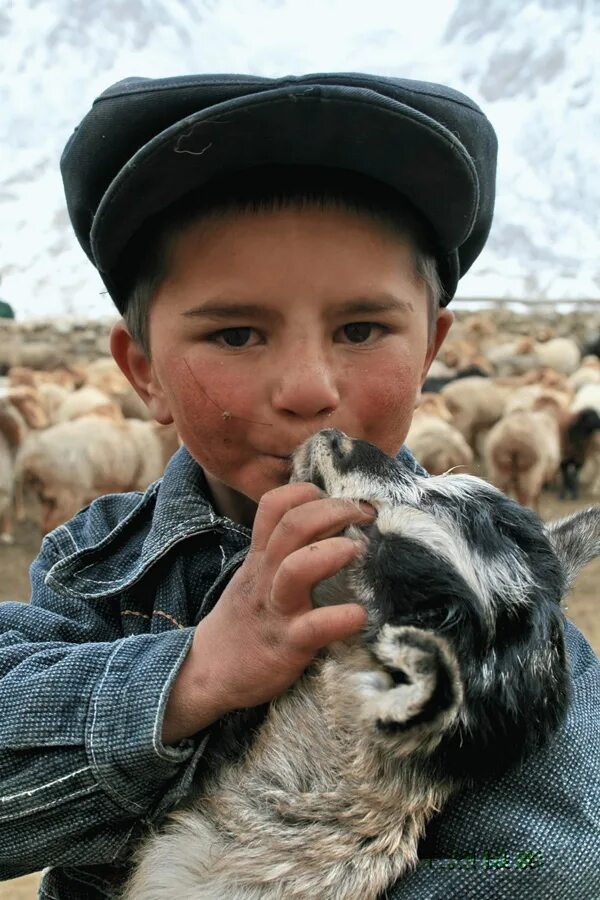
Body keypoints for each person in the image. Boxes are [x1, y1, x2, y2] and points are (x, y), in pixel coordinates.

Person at [0, 73, 597, 900]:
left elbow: (540, 867)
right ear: (145, 375)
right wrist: (194, 673)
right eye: (236, 333)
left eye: (361, 328)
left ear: (431, 349)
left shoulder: (501, 610)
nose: (309, 387)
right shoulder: (100, 566)